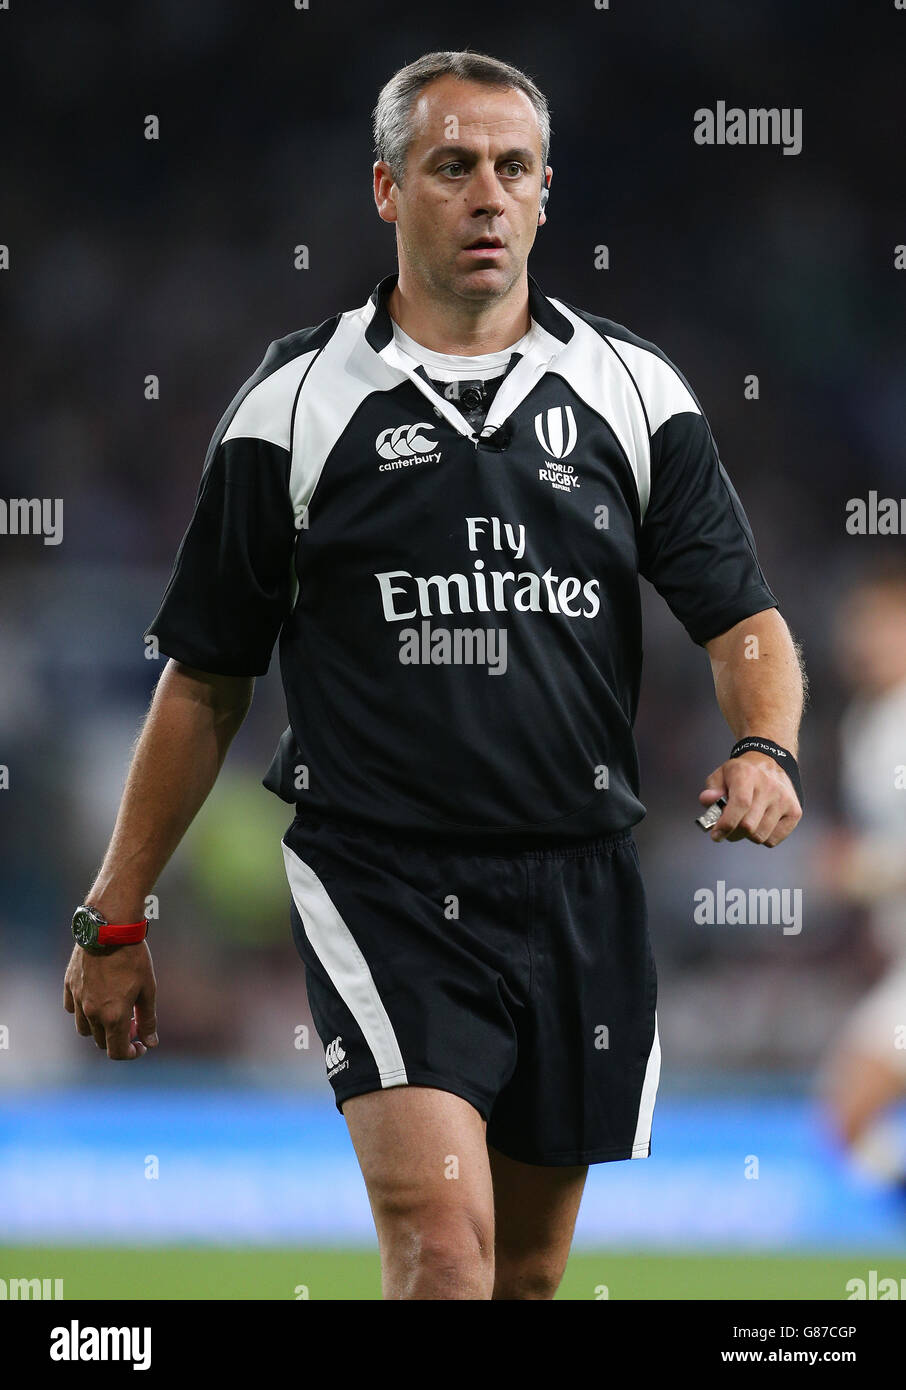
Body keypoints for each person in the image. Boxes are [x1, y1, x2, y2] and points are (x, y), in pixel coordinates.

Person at [63, 49, 805, 1299]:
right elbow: (205, 680)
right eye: (452, 167)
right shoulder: (292, 406)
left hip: (580, 882)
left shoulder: (633, 393)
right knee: (444, 1257)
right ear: (386, 190)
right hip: (386, 877)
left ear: (548, 192)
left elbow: (744, 624)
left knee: (522, 1276)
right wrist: (116, 911)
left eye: (514, 169)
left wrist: (766, 745)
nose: (487, 196)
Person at [816, 563, 906, 1186]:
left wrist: (860, 871)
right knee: (845, 1119)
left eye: (877, 626)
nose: (861, 642)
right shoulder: (865, 724)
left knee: (849, 1109)